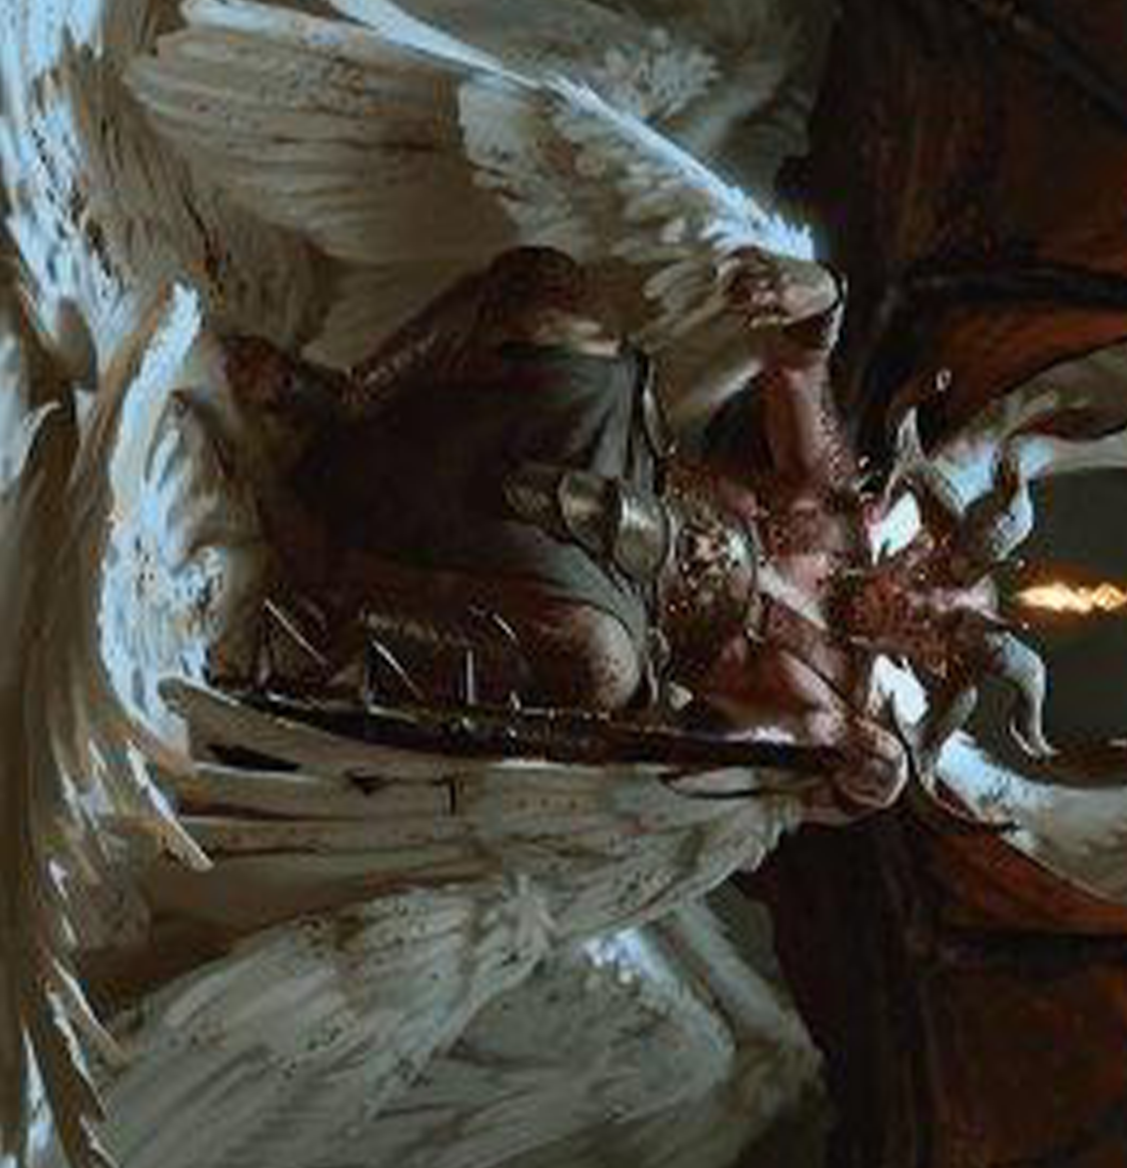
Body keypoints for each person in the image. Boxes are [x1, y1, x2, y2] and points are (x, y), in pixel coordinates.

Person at [224, 243, 1005, 812]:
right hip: (627, 454)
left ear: (930, 664)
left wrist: (863, 780)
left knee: (599, 666)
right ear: (927, 550)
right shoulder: (833, 507)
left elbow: (783, 763)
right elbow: (801, 361)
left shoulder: (838, 698)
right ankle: (334, 397)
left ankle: (337, 611)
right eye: (939, 585)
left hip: (625, 609)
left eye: (943, 629)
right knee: (560, 297)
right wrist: (820, 293)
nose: (924, 606)